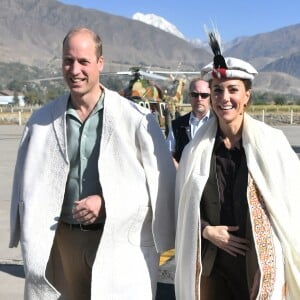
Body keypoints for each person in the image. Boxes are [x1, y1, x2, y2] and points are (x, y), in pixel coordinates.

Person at [9, 27, 176, 300]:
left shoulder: (135, 119)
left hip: (119, 240)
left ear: (100, 63)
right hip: (61, 243)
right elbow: (24, 181)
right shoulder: (41, 121)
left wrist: (107, 203)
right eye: (68, 60)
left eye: (84, 61)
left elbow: (161, 185)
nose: (75, 70)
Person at [175, 29, 300, 300]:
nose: (224, 98)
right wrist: (206, 230)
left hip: (255, 265)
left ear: (247, 97)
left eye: (233, 90)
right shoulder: (194, 150)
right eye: (217, 90)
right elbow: (183, 207)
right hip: (210, 265)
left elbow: (291, 209)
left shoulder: (273, 145)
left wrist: (271, 263)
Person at [166, 78, 211, 166]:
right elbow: (168, 153)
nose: (199, 99)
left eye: (204, 95)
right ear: (189, 96)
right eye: (195, 94)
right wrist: (179, 171)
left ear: (211, 97)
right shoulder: (177, 125)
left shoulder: (219, 123)